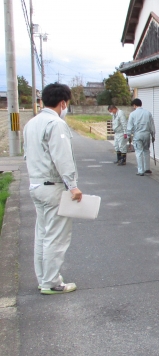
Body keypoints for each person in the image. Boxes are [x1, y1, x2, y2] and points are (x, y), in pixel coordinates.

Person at [23, 83, 82, 295]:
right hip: (52, 186)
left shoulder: (32, 123)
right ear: (63, 102)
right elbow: (62, 158)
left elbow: (27, 154)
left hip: (36, 184)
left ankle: (43, 278)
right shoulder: (56, 124)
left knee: (42, 234)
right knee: (57, 236)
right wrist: (73, 186)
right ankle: (52, 282)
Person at [126, 98, 155, 176]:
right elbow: (152, 125)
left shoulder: (132, 114)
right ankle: (147, 168)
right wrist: (153, 135)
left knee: (139, 152)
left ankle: (140, 170)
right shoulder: (148, 113)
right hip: (147, 134)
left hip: (138, 134)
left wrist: (128, 135)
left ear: (134, 105)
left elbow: (130, 126)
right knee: (146, 151)